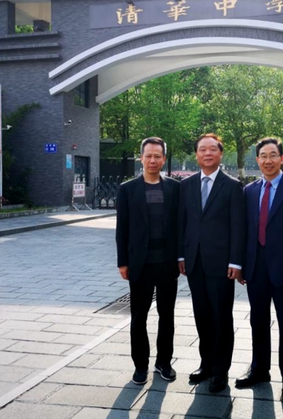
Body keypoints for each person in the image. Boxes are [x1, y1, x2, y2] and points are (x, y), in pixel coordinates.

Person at [236, 137, 283, 399]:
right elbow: (245, 231)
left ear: (281, 158)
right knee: (257, 319)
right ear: (257, 160)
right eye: (263, 156)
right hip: (255, 267)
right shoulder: (249, 191)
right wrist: (242, 264)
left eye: (272, 155)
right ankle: (259, 369)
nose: (267, 160)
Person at [178, 133, 246, 393]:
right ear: (196, 154)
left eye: (212, 149)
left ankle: (220, 370)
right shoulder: (186, 185)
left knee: (221, 317)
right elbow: (182, 223)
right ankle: (205, 364)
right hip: (194, 262)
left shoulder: (232, 186)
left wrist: (236, 262)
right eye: (202, 150)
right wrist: (181, 256)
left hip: (221, 264)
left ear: (220, 153)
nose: (207, 153)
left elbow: (238, 227)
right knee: (202, 315)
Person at [116, 137, 180, 385]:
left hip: (167, 263)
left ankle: (164, 362)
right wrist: (123, 261)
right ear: (141, 158)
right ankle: (140, 365)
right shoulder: (127, 189)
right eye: (148, 155)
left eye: (157, 156)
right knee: (138, 316)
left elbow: (180, 226)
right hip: (139, 263)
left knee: (167, 315)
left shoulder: (175, 188)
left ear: (164, 159)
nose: (153, 160)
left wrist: (181, 257)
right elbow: (122, 228)